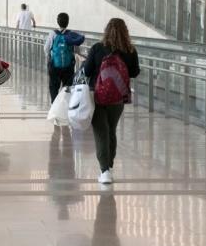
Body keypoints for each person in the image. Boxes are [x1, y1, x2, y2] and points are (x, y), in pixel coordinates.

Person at [83, 18, 140, 185]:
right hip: (118, 98)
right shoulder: (130, 50)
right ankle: (109, 166)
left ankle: (104, 171)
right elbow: (135, 72)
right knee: (111, 131)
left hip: (97, 96)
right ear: (125, 32)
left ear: (106, 31)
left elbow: (87, 71)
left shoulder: (97, 48)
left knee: (101, 132)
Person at [44, 13, 85, 103]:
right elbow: (76, 50)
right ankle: (66, 105)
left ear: (57, 22)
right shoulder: (71, 34)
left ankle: (54, 105)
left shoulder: (53, 34)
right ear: (68, 22)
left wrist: (49, 58)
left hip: (54, 66)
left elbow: (46, 49)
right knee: (67, 87)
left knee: (54, 87)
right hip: (68, 66)